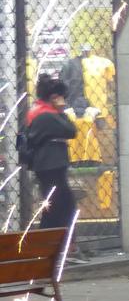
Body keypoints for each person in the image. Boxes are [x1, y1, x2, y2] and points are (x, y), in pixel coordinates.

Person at [24, 74, 78, 234]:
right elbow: (71, 130)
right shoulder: (46, 115)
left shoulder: (38, 111)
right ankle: (49, 245)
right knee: (61, 206)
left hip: (48, 166)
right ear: (54, 97)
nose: (64, 101)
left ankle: (57, 245)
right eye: (62, 98)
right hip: (51, 166)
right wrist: (61, 110)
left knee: (57, 205)